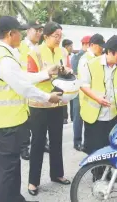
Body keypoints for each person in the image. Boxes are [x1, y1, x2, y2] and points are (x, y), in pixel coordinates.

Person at [0, 16, 62, 202]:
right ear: (11, 34)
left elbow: (21, 77)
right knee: (6, 172)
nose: (23, 34)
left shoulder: (8, 53)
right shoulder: (3, 58)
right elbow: (22, 87)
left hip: (10, 121)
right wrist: (47, 97)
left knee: (13, 166)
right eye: (20, 31)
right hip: (2, 124)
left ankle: (15, 197)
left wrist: (45, 73)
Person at [79, 35, 117, 180]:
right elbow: (83, 85)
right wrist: (97, 98)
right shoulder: (90, 64)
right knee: (96, 147)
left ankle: (109, 173)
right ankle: (97, 174)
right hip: (95, 115)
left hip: (114, 114)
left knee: (111, 146)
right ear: (110, 51)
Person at [27, 21, 71, 196]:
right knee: (37, 143)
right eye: (56, 36)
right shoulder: (34, 53)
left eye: (61, 36)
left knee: (56, 140)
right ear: (45, 36)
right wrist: (49, 73)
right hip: (39, 104)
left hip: (58, 102)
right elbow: (30, 78)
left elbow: (68, 68)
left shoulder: (63, 51)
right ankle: (33, 182)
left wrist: (66, 70)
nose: (59, 39)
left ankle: (57, 174)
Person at [18, 20, 49, 160]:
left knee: (38, 120)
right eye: (36, 30)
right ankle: (24, 147)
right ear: (27, 30)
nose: (38, 33)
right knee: (25, 119)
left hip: (38, 86)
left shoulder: (41, 47)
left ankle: (42, 142)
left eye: (40, 30)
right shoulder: (20, 46)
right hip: (23, 86)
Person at [73, 34, 105, 151]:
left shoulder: (98, 57)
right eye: (100, 46)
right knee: (87, 126)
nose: (102, 49)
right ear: (91, 45)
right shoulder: (85, 60)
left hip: (96, 99)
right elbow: (83, 83)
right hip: (87, 98)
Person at [62, 39, 74, 124]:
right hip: (63, 81)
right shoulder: (62, 55)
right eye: (70, 46)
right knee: (63, 100)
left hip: (70, 80)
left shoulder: (71, 55)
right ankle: (64, 117)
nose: (72, 48)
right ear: (66, 46)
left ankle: (71, 116)